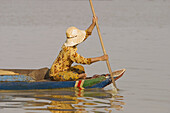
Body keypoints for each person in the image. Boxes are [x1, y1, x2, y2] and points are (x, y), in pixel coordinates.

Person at [49, 16, 108, 81]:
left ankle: (79, 76)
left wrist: (93, 24)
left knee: (80, 68)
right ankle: (79, 77)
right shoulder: (69, 51)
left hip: (65, 69)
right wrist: (100, 58)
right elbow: (84, 61)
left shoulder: (70, 46)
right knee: (70, 75)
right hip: (56, 74)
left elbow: (86, 34)